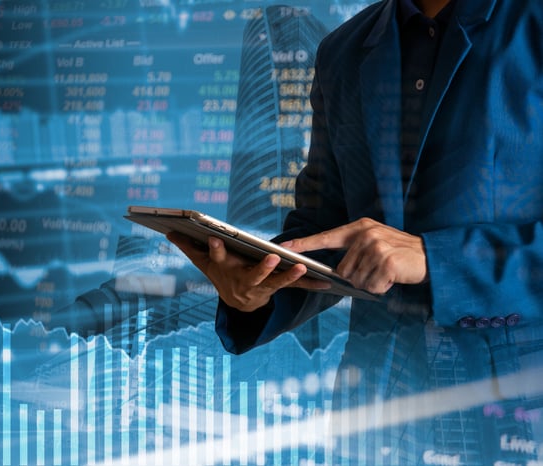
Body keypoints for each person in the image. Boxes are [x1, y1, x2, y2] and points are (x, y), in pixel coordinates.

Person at [168, 0, 543, 463]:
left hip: (517, 406)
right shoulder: (342, 52)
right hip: (375, 409)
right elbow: (326, 229)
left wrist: (437, 258)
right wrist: (258, 289)